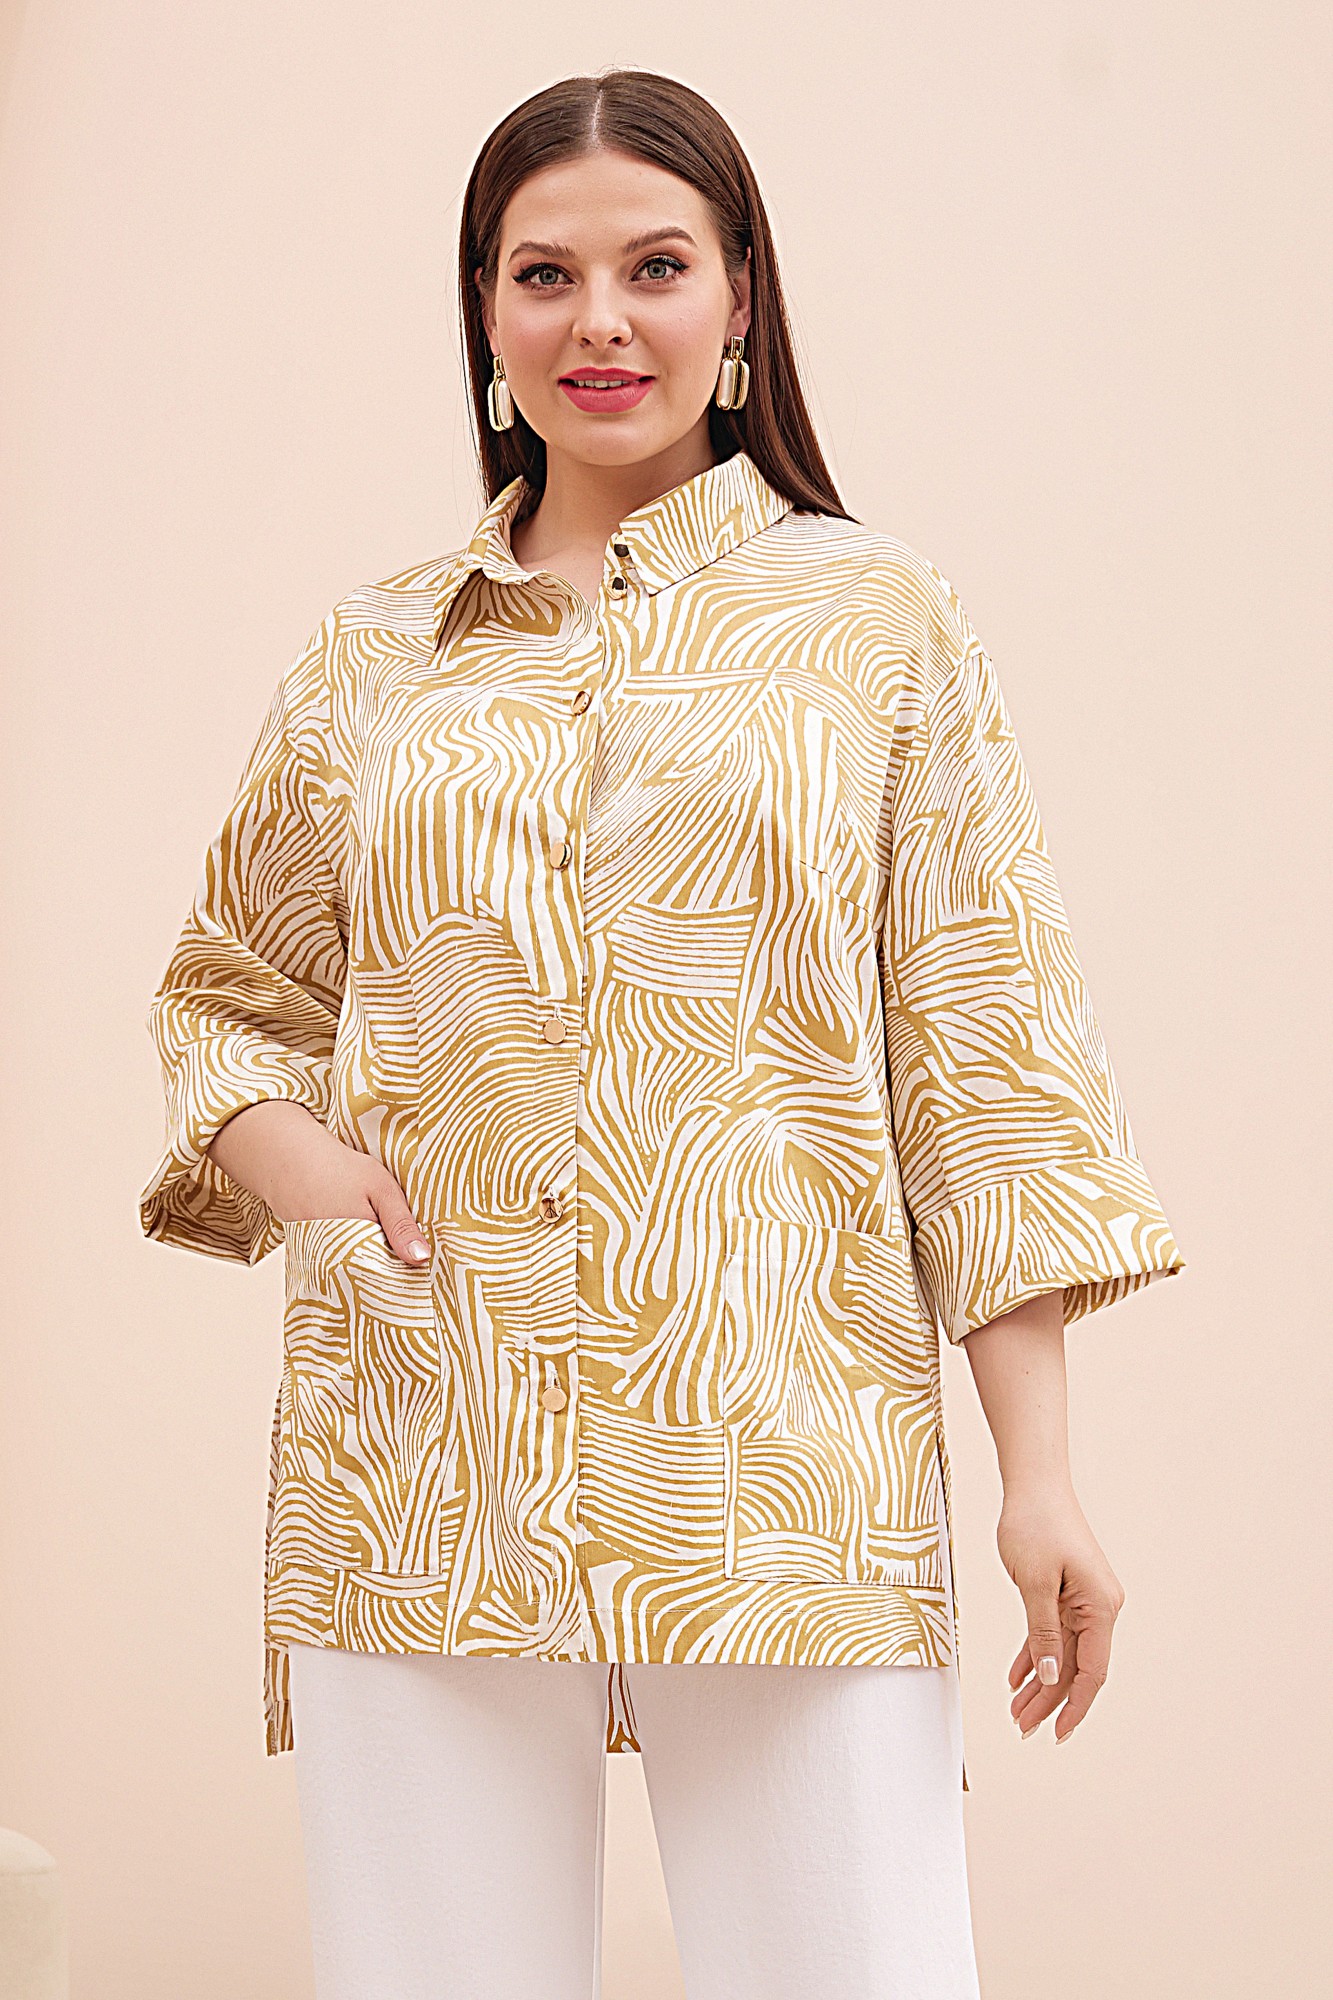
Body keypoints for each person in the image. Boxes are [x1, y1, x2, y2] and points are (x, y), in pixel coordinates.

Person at [138, 67, 1185, 2000]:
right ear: (483, 308)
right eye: (543, 273)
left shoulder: (873, 621)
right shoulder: (375, 652)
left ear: (740, 295)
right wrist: (307, 1170)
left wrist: (1037, 1477)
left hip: (784, 1456)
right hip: (425, 1445)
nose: (598, 321)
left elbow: (987, 1062)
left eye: (654, 266)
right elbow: (228, 992)